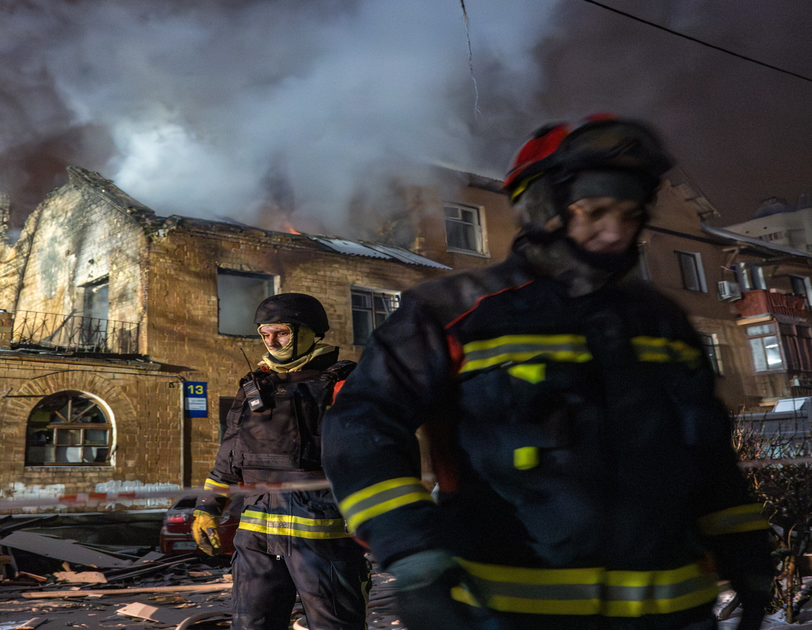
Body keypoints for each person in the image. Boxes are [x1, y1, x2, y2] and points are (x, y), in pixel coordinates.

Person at [321, 116, 774, 630]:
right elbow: (362, 426)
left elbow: (709, 453)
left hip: (674, 615)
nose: (616, 231)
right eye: (596, 211)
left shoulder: (661, 323)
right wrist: (413, 554)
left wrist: (748, 554)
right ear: (543, 208)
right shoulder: (452, 312)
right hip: (513, 615)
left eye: (630, 214)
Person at [193, 293, 370, 630]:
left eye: (282, 333)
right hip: (256, 535)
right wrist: (207, 506)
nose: (272, 342)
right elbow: (229, 455)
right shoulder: (252, 389)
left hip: (321, 535)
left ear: (310, 333)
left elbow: (373, 455)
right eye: (265, 334)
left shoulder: (343, 385)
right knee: (251, 625)